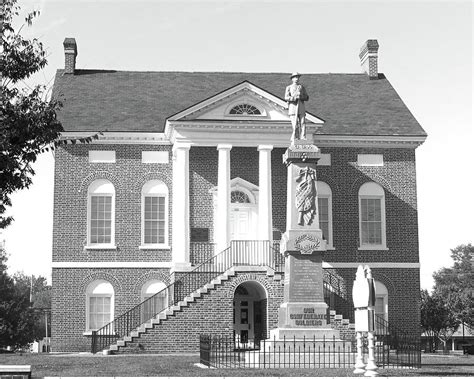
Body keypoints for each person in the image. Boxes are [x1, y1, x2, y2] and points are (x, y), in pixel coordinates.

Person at [285, 72, 309, 143]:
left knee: (302, 122)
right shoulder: (289, 87)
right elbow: (286, 97)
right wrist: (294, 98)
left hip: (301, 107)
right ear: (292, 79)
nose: (296, 79)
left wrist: (301, 96)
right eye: (295, 77)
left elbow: (306, 97)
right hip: (293, 108)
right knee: (295, 123)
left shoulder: (301, 87)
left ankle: (303, 136)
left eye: (298, 77)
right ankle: (295, 136)